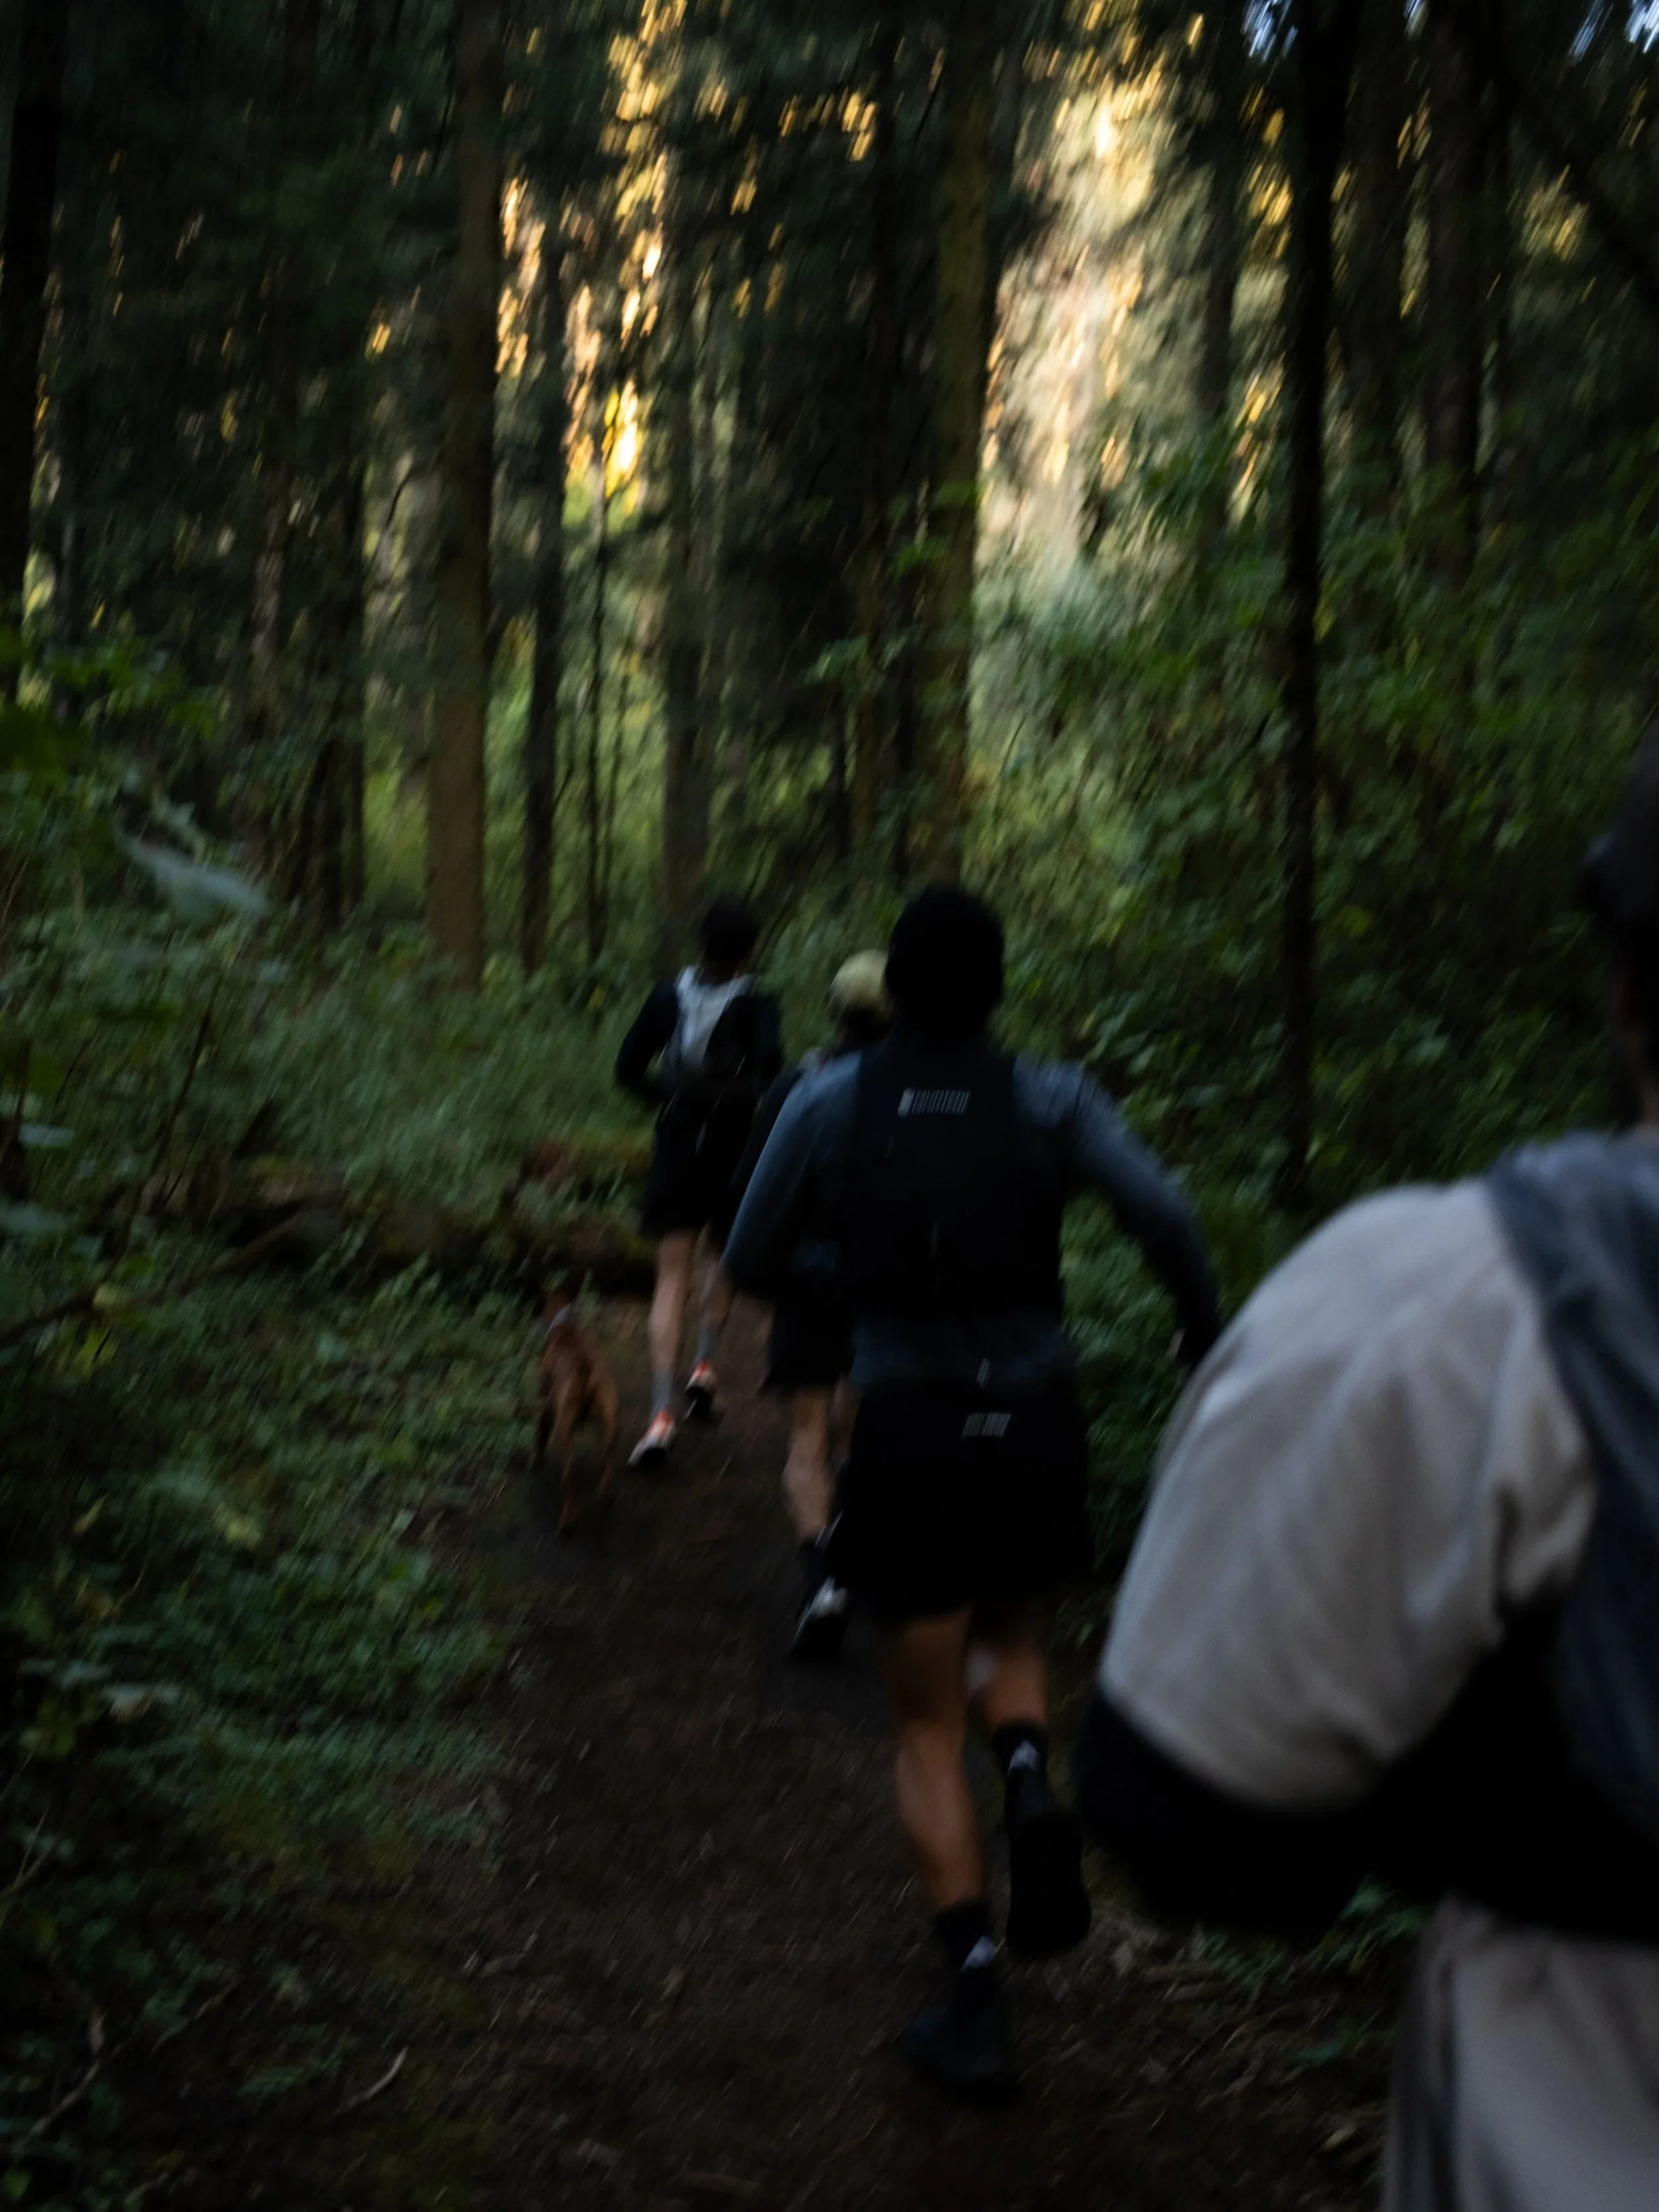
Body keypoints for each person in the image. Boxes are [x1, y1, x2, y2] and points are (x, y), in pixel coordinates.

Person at [1077, 739, 1659, 2211]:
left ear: (1625, 987)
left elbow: (1176, 1812)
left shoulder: (1465, 1303)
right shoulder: (1046, 1099)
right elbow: (1147, 1201)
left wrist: (1498, 1789)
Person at [724, 887, 1221, 2100]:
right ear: (998, 986)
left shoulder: (834, 1099)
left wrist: (854, 1276)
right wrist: (1200, 1325)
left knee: (919, 1722)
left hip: (914, 1425)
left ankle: (977, 1988)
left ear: (892, 982)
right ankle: (1031, 1778)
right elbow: (1163, 1209)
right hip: (1035, 1422)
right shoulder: (1051, 1098)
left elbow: (746, 1255)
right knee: (1011, 1626)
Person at [729, 950, 894, 1663]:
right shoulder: (920, 1090)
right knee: (855, 1426)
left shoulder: (801, 1082)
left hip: (806, 1281)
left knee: (805, 1437)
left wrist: (760, 1274)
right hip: (883, 1287)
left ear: (834, 1009)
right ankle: (857, 1551)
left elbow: (751, 1183)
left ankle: (821, 1580)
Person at [615, 897, 783, 1467]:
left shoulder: (667, 996)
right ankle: (706, 1365)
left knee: (670, 1275)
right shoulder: (759, 1003)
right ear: (749, 950)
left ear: (700, 941)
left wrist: (669, 1100)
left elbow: (626, 1069)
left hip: (677, 1144)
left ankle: (660, 1415)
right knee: (723, 1256)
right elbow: (769, 1074)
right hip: (735, 1148)